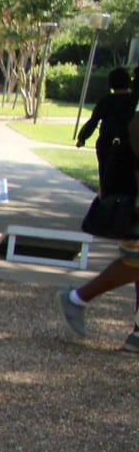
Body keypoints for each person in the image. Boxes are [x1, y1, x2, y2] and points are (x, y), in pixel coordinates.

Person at [58, 68, 139, 355]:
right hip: (132, 193)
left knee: (135, 261)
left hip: (124, 187)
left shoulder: (124, 102)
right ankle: (77, 298)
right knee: (135, 261)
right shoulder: (134, 106)